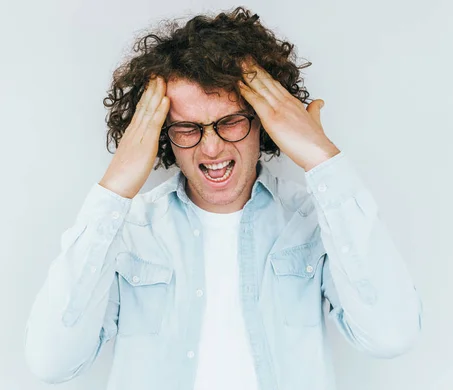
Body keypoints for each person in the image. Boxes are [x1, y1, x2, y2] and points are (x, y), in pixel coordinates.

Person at [24, 6, 423, 390]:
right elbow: (52, 362)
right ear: (162, 134)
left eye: (230, 122)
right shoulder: (126, 230)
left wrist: (322, 160)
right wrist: (115, 188)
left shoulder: (312, 221)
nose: (211, 148)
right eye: (187, 128)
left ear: (264, 123)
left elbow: (391, 334)